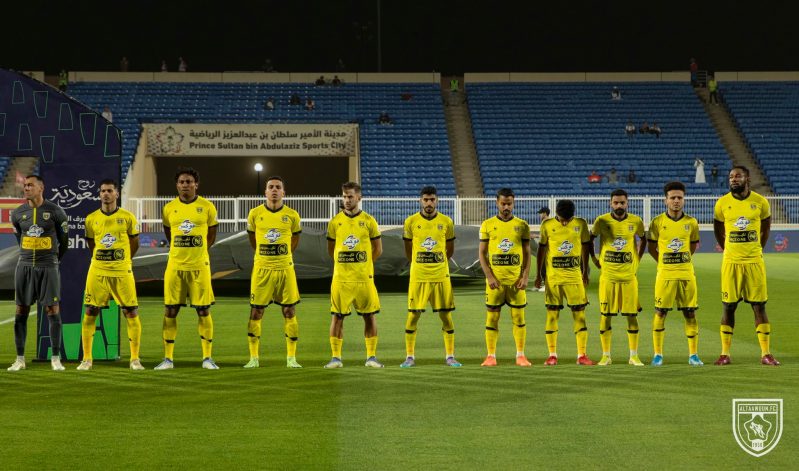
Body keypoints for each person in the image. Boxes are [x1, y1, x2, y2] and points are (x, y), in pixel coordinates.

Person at [713, 166, 779, 366]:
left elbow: (766, 227)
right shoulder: (722, 203)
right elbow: (718, 229)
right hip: (731, 263)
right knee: (728, 307)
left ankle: (766, 354)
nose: (733, 179)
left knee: (759, 306)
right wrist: (728, 249)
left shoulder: (760, 202)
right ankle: (725, 354)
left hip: (754, 262)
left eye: (737, 176)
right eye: (731, 177)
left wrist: (758, 247)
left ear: (747, 178)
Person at [154, 168, 220, 370]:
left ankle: (207, 358)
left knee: (203, 310)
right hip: (175, 266)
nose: (185, 185)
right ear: (177, 185)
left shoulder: (207, 207)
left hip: (200, 266)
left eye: (189, 181)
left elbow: (212, 234)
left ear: (196, 184)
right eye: (182, 181)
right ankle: (168, 359)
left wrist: (200, 251)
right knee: (170, 310)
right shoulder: (169, 208)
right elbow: (169, 232)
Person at [78, 179, 144, 371]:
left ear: (117, 194)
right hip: (98, 272)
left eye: (109, 191)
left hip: (122, 271)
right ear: (99, 194)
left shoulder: (128, 217)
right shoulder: (91, 219)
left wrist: (124, 260)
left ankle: (134, 359)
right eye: (102, 191)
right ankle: (87, 359)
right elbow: (92, 244)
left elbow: (135, 242)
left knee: (130, 312)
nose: (106, 194)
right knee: (90, 312)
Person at [8, 175, 69, 372]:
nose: (26, 188)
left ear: (41, 188)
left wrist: (52, 260)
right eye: (25, 185)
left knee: (53, 310)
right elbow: (20, 238)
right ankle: (19, 359)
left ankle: (55, 358)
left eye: (30, 185)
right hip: (24, 267)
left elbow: (64, 242)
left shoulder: (55, 211)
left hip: (48, 267)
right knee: (20, 311)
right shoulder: (17, 213)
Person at [244, 176, 302, 369]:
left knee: (289, 310)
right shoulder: (255, 214)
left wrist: (282, 255)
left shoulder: (292, 215)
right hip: (262, 270)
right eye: (271, 187)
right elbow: (253, 240)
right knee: (256, 311)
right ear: (265, 192)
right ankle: (253, 358)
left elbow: (294, 240)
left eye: (278, 187)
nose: (274, 190)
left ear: (284, 192)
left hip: (285, 269)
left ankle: (291, 358)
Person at [400, 186, 460, 368]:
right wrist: (419, 264)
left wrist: (438, 263)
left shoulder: (446, 222)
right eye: (426, 200)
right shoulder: (410, 222)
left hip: (441, 276)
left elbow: (449, 249)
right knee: (413, 316)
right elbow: (408, 250)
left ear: (437, 201)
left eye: (432, 199)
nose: (429, 203)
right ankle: (410, 357)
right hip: (419, 277)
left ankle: (450, 356)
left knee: (446, 316)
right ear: (420, 200)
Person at [325, 181, 383, 368]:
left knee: (369, 316)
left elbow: (378, 249)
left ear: (359, 197)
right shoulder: (335, 221)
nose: (347, 200)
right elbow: (331, 249)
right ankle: (336, 358)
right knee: (337, 317)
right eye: (344, 196)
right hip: (341, 279)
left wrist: (364, 265)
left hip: (363, 279)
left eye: (350, 196)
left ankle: (371, 357)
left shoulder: (369, 221)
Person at [647, 181, 703, 367]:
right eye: (673, 198)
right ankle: (658, 355)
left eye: (679, 198)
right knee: (660, 312)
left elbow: (693, 245)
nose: (676, 201)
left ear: (684, 199)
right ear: (666, 200)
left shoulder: (691, 222)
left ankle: (693, 355)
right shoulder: (657, 222)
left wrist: (681, 260)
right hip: (665, 275)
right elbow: (652, 247)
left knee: (690, 313)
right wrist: (665, 262)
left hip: (686, 274)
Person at [534, 199, 595, 366]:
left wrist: (585, 270)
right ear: (557, 214)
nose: (565, 222)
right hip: (553, 279)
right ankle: (552, 355)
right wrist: (539, 274)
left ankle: (582, 355)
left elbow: (585, 247)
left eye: (568, 219)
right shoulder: (547, 225)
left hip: (574, 278)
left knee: (580, 314)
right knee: (552, 314)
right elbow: (541, 249)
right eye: (562, 219)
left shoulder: (580, 224)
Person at [590, 189, 647, 366]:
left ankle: (634, 355)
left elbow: (643, 239)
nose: (619, 206)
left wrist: (637, 258)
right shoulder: (601, 221)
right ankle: (606, 355)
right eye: (616, 203)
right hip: (608, 277)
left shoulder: (636, 221)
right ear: (610, 203)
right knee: (606, 316)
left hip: (629, 277)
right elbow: (589, 240)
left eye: (622, 202)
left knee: (631, 316)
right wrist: (594, 259)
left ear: (627, 203)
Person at [478, 188, 532, 367]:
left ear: (513, 203)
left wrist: (525, 277)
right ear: (497, 203)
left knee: (518, 318)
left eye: (509, 203)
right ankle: (491, 356)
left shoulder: (522, 225)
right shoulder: (487, 224)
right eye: (503, 203)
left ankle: (521, 355)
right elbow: (482, 253)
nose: (506, 206)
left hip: (516, 282)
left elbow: (526, 253)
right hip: (495, 283)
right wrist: (489, 276)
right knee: (492, 318)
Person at [536, 207, 550, 292]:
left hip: (546, 248)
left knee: (543, 267)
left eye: (541, 213)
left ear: (545, 213)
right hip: (548, 247)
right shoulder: (549, 222)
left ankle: (546, 285)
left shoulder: (545, 222)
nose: (540, 215)